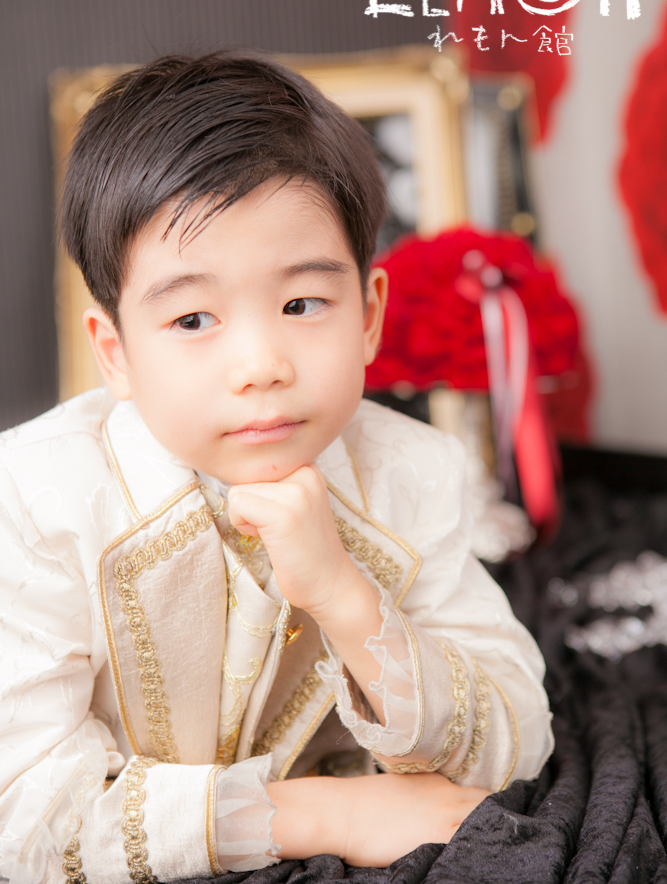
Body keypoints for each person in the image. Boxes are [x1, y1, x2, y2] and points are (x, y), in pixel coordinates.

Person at [0, 52, 553, 884]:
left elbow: (517, 736)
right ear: (114, 353)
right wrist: (315, 815)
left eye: (301, 304)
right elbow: (25, 820)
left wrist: (345, 596)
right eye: (193, 319)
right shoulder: (37, 500)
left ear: (368, 316)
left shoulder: (414, 473)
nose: (261, 364)